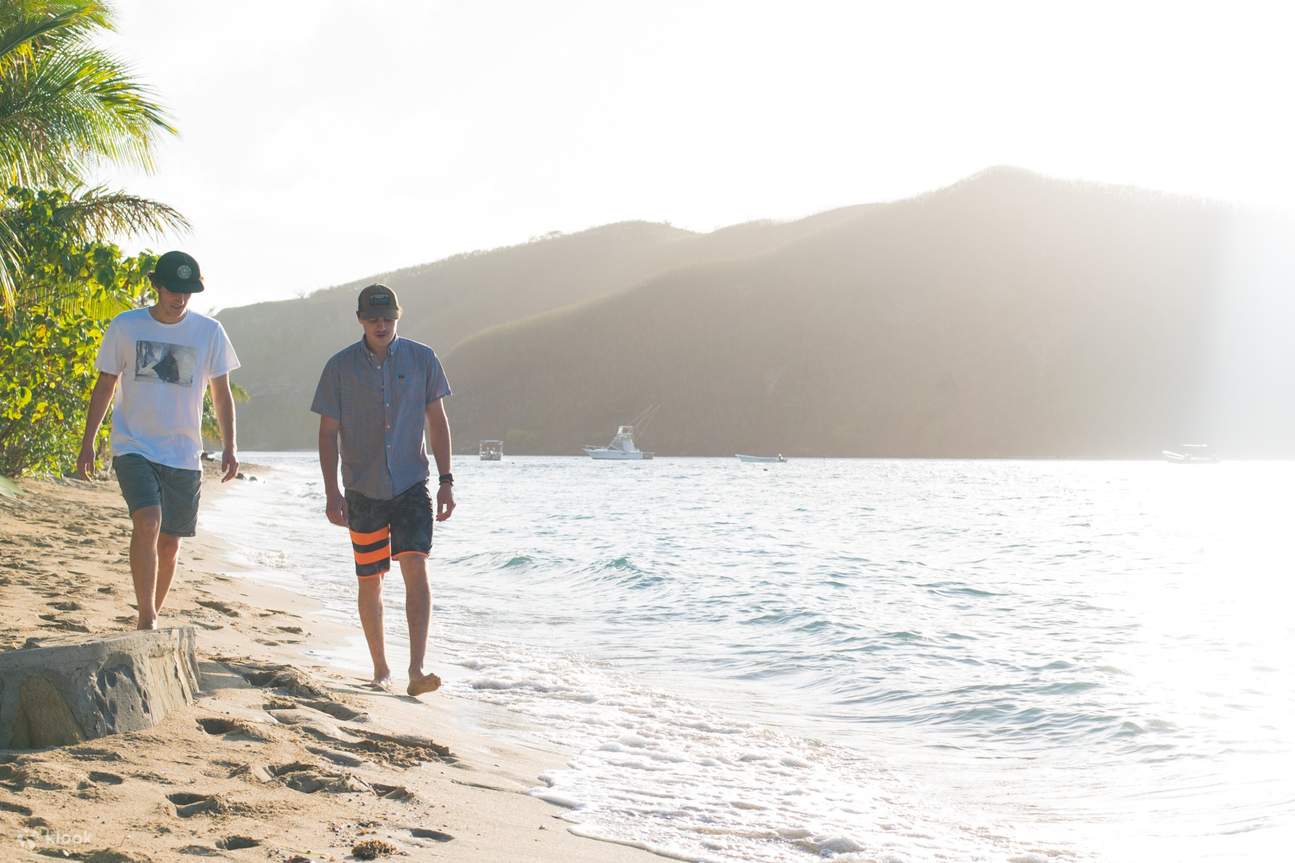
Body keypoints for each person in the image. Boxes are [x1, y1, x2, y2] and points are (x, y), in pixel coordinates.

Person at [76, 250, 240, 630]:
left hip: (183, 453)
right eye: (172, 289)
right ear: (156, 286)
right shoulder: (126, 326)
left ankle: (150, 613)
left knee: (170, 544)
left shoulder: (210, 332)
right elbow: (105, 384)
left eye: (187, 291)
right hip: (134, 445)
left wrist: (230, 446)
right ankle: (147, 618)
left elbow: (222, 393)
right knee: (147, 521)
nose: (179, 298)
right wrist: (88, 442)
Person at [311, 283, 454, 696]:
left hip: (412, 483)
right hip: (362, 488)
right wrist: (331, 491)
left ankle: (417, 668)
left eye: (388, 318)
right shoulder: (339, 367)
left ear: (398, 317)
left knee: (416, 565)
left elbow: (438, 422)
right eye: (373, 318)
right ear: (360, 319)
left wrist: (446, 481)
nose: (381, 325)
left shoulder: (422, 358)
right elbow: (327, 433)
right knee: (371, 578)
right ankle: (380, 668)